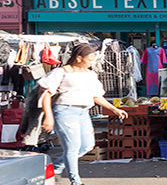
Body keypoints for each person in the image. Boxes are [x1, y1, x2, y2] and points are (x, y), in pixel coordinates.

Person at [39, 43, 129, 185]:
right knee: (72, 148)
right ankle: (75, 181)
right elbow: (45, 95)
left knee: (87, 146)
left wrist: (114, 109)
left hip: (83, 112)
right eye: (89, 60)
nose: (91, 63)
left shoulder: (90, 75)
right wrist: (48, 116)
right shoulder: (61, 72)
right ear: (79, 58)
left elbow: (96, 96)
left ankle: (55, 168)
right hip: (64, 111)